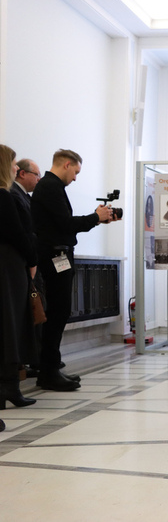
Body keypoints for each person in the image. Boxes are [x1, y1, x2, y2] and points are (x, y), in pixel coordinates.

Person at [31, 149, 117, 391]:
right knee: (57, 312)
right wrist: (94, 217)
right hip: (53, 257)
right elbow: (66, 225)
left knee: (60, 311)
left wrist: (97, 218)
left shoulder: (53, 187)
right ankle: (48, 372)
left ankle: (51, 368)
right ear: (66, 164)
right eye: (76, 172)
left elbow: (66, 227)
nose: (76, 178)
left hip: (58, 255)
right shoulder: (49, 186)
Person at [0, 144, 37, 410]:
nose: (17, 167)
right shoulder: (4, 196)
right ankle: (10, 386)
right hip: (10, 265)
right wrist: (33, 260)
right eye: (13, 163)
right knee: (12, 324)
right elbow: (17, 234)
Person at [12, 158, 44, 377]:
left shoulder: (24, 197)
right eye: (36, 174)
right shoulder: (13, 195)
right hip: (20, 264)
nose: (39, 179)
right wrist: (32, 261)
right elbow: (22, 233)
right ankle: (21, 364)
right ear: (22, 173)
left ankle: (31, 360)